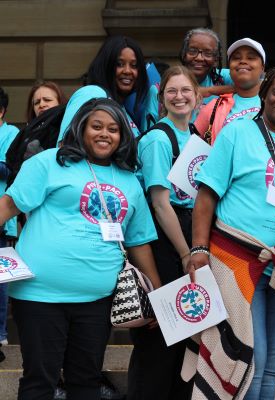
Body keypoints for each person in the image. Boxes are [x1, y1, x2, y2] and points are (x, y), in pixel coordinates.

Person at [0, 98, 161, 400]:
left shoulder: (129, 180)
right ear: (81, 128)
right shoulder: (50, 162)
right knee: (40, 382)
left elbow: (139, 241)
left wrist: (156, 293)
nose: (105, 134)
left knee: (86, 382)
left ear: (123, 136)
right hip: (39, 296)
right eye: (96, 126)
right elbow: (8, 206)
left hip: (97, 300)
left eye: (113, 129)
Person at [184, 66, 275, 400]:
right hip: (239, 261)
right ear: (265, 93)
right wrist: (199, 249)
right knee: (250, 359)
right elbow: (206, 195)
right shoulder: (236, 133)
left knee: (272, 366)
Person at [128, 65, 201, 400]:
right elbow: (160, 203)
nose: (179, 96)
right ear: (161, 97)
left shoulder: (197, 136)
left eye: (186, 90)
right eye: (172, 91)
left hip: (189, 236)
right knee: (159, 341)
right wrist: (187, 252)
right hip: (166, 241)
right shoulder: (159, 138)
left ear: (198, 96)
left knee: (185, 340)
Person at [194, 37, 275, 142]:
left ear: (262, 67)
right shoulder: (214, 108)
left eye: (251, 58)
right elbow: (193, 154)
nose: (243, 61)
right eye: (236, 58)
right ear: (229, 68)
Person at [58, 35, 153, 143]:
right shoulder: (92, 93)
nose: (127, 71)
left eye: (134, 65)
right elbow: (65, 145)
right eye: (119, 64)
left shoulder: (122, 108)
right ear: (106, 65)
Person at [0, 86, 20, 363]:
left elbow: (9, 169)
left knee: (1, 281)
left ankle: (1, 331)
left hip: (3, 222)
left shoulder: (11, 134)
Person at [179, 27, 234, 105]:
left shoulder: (221, 76)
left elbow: (254, 84)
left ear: (216, 60)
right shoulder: (170, 82)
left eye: (208, 53)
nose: (199, 58)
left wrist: (208, 91)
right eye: (192, 51)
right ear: (184, 54)